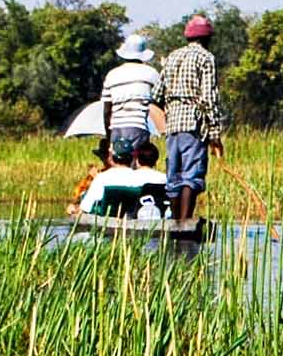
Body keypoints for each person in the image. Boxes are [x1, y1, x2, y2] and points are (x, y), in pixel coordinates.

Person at [159, 14, 226, 224]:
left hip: (172, 125)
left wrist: (170, 111)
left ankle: (175, 222)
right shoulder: (206, 58)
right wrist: (215, 134)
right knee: (191, 175)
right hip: (193, 124)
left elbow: (157, 93)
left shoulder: (172, 57)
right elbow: (209, 98)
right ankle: (185, 223)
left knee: (174, 176)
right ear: (206, 39)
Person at [99, 35, 160, 163]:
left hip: (116, 128)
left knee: (118, 167)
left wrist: (108, 135)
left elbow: (106, 111)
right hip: (138, 126)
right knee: (136, 167)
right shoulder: (151, 73)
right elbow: (160, 99)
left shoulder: (112, 74)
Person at [80, 138, 170, 219]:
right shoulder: (139, 177)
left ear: (111, 158)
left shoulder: (102, 177)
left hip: (111, 220)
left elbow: (85, 208)